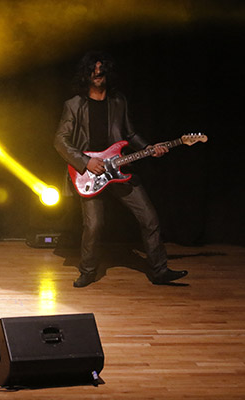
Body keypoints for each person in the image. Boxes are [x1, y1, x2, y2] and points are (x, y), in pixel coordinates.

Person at [54, 51, 188, 288]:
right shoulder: (74, 105)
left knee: (149, 218)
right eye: (93, 70)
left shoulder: (119, 101)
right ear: (86, 74)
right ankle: (87, 271)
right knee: (94, 225)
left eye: (101, 70)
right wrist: (85, 162)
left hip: (118, 168)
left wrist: (148, 148)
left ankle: (159, 271)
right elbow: (60, 141)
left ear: (107, 72)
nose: (98, 73)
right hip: (90, 173)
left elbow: (130, 133)